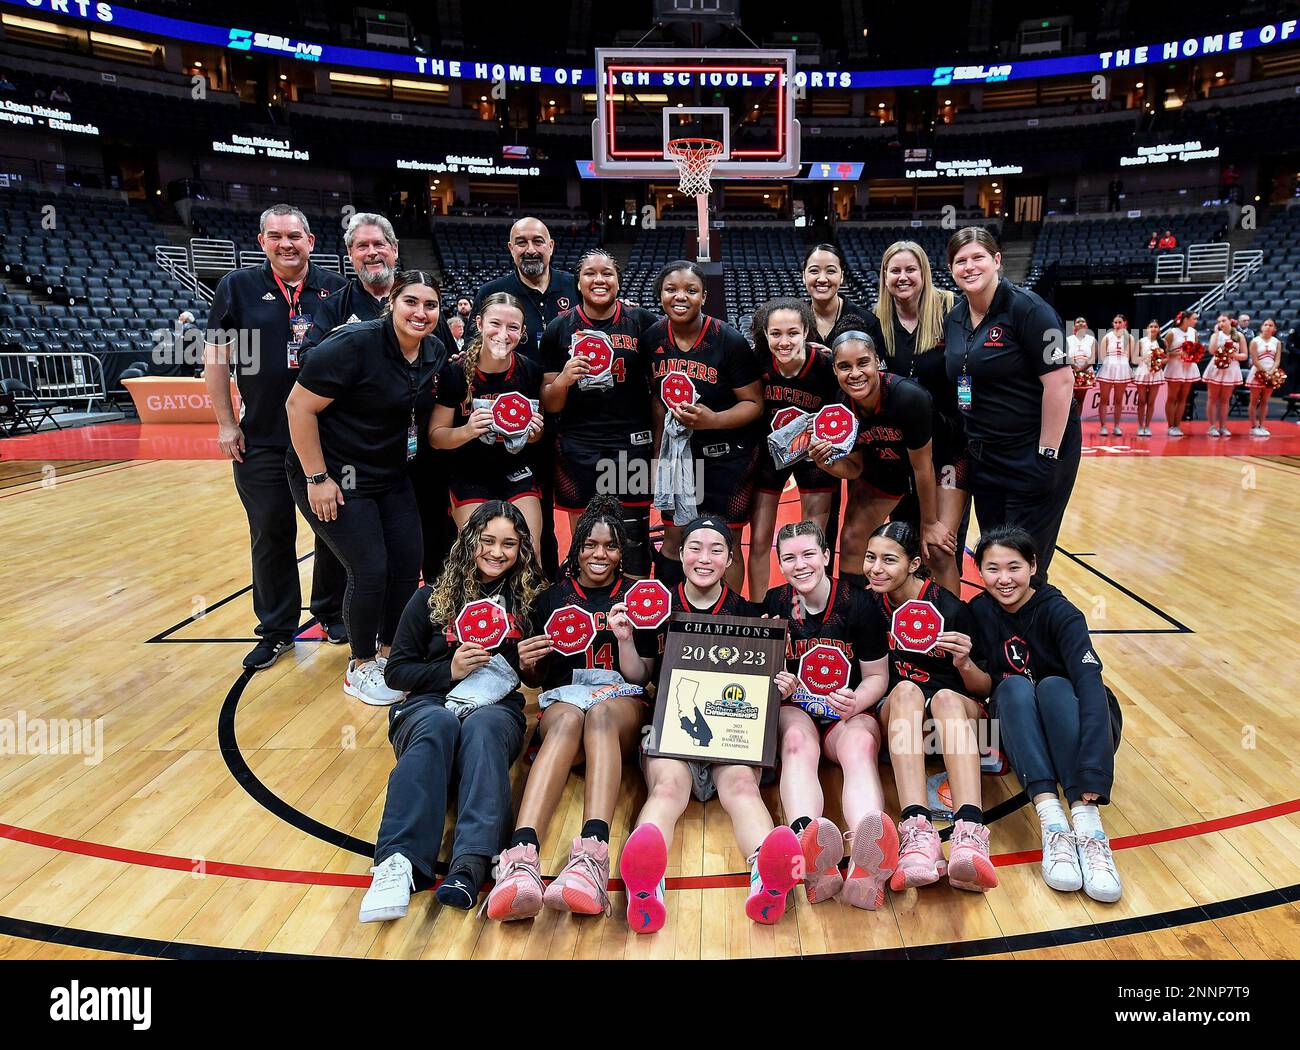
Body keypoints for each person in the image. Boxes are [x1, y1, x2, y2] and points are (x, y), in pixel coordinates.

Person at [358, 501, 545, 921]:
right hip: (429, 702)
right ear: (469, 541)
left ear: (522, 550)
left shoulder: (527, 601)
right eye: (489, 540)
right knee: (437, 724)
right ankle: (397, 862)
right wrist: (451, 669)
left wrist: (533, 666)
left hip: (495, 706)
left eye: (509, 544)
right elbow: (397, 673)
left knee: (482, 730)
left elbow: (531, 680)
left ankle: (471, 864)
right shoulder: (430, 596)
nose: (498, 552)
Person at [616, 515, 802, 933]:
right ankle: (646, 887)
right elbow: (637, 676)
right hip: (673, 730)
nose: (705, 557)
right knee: (668, 787)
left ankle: (766, 880)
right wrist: (627, 639)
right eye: (695, 548)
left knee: (741, 784)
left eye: (716, 549)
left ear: (730, 559)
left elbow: (765, 689)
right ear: (679, 554)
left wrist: (783, 684)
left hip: (732, 737)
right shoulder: (657, 606)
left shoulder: (752, 616)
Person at [285, 272, 446, 705]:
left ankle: (392, 653)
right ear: (392, 302)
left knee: (406, 564)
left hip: (389, 475)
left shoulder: (433, 351)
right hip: (334, 474)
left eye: (430, 305)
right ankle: (359, 665)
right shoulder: (353, 344)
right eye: (411, 301)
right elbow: (298, 406)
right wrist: (317, 478)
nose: (421, 312)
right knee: (370, 568)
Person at [485, 496, 650, 921]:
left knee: (597, 715)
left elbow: (638, 678)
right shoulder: (548, 599)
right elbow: (537, 681)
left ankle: (592, 857)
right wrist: (528, 663)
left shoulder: (639, 595)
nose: (600, 554)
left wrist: (626, 639)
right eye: (590, 545)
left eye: (610, 546)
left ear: (622, 551)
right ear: (576, 547)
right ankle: (521, 860)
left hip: (619, 701)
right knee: (565, 722)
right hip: (565, 700)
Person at [202, 204, 348, 670]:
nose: (286, 244)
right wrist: (226, 423)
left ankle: (331, 612)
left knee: (333, 532)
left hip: (326, 439)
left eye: (295, 236)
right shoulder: (237, 287)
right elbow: (217, 359)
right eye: (276, 236)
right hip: (262, 437)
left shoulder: (336, 289)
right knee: (270, 533)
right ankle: (277, 629)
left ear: (310, 241)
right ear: (261, 241)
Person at [305, 212, 457, 593]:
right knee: (349, 539)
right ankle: (334, 613)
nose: (372, 253)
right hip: (356, 450)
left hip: (417, 446)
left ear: (394, 250)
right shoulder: (336, 307)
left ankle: (432, 604)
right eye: (362, 246)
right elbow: (309, 366)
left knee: (426, 528)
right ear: (350, 255)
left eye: (379, 245)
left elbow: (449, 366)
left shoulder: (424, 303)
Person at [968, 525, 1123, 902]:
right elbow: (985, 688)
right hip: (1024, 729)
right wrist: (962, 662)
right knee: (1013, 687)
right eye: (992, 568)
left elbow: (1090, 689)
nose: (1003, 579)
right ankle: (1053, 822)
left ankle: (1089, 830)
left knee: (1054, 685)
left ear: (1033, 565)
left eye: (1014, 567)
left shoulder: (1061, 613)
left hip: (1076, 717)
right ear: (980, 570)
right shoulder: (978, 612)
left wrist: (1094, 771)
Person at [764, 521, 898, 910]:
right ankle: (809, 846)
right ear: (781, 564)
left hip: (847, 712)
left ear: (826, 556)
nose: (800, 564)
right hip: (800, 708)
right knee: (794, 743)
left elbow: (877, 676)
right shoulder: (775, 603)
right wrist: (779, 682)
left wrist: (856, 700)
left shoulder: (858, 604)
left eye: (809, 554)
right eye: (789, 557)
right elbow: (762, 672)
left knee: (858, 746)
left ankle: (864, 856)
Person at [864, 522, 996, 893]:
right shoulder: (868, 605)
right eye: (871, 557)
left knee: (942, 697)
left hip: (955, 723)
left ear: (914, 563)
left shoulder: (950, 608)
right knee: (906, 690)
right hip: (903, 725)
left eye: (889, 560)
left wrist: (965, 663)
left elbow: (985, 688)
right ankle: (917, 831)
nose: (876, 568)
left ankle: (970, 831)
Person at [943, 227, 1079, 585]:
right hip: (986, 453)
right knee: (993, 556)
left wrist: (1046, 454)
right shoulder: (955, 317)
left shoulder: (1031, 310)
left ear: (997, 261)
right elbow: (964, 377)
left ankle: (1036, 638)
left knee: (1022, 563)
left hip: (1033, 451)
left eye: (978, 258)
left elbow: (1061, 382)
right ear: (950, 268)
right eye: (960, 261)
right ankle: (1001, 640)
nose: (969, 267)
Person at [810, 329, 958, 594]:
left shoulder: (908, 397)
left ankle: (951, 627)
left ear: (877, 361)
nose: (855, 373)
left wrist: (929, 523)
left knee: (936, 549)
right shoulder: (842, 406)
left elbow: (922, 467)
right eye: (845, 366)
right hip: (889, 467)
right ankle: (854, 615)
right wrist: (826, 464)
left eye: (863, 363)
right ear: (834, 370)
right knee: (853, 538)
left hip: (941, 464)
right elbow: (856, 468)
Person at [647, 261, 764, 592]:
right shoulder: (653, 338)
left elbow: (754, 404)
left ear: (704, 296)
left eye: (691, 290)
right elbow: (656, 399)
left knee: (724, 543)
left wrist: (713, 420)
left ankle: (725, 621)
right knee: (673, 538)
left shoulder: (728, 340)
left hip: (728, 458)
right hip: (679, 457)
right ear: (660, 295)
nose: (680, 297)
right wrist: (658, 453)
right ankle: (671, 623)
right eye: (671, 290)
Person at [541, 249, 658, 577]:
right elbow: (550, 403)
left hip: (631, 443)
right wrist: (564, 379)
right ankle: (589, 612)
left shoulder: (642, 322)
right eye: (590, 273)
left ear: (619, 281)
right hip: (579, 445)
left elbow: (658, 389)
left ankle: (636, 618)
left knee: (633, 540)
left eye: (607, 273)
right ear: (578, 282)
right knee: (587, 539)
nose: (599, 279)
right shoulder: (559, 328)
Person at [474, 217, 578, 576]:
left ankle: (545, 588)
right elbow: (477, 352)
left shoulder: (574, 285)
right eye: (521, 242)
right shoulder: (493, 292)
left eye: (537, 241)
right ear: (510, 249)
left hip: (569, 418)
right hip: (507, 425)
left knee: (546, 517)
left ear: (551, 246)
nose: (530, 249)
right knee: (508, 517)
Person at [873, 240, 967, 594]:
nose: (903, 277)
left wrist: (968, 409)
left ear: (924, 273)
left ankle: (950, 641)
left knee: (940, 549)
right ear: (884, 277)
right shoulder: (876, 321)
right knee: (907, 548)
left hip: (948, 449)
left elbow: (968, 370)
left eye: (910, 269)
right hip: (901, 455)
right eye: (894, 270)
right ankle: (912, 638)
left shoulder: (951, 312)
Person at [431, 292, 546, 549]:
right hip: (469, 473)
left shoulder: (529, 371)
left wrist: (535, 432)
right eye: (495, 324)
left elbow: (536, 436)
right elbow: (435, 436)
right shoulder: (455, 373)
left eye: (512, 327)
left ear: (523, 331)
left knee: (529, 548)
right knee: (480, 550)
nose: (503, 334)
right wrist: (468, 430)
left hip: (515, 471)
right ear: (480, 323)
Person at [747, 298, 839, 602]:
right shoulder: (756, 361)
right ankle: (760, 609)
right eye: (776, 334)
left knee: (810, 542)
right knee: (759, 540)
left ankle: (808, 606)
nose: (784, 342)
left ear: (806, 331)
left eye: (792, 333)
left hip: (812, 453)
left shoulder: (825, 365)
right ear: (765, 333)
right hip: (770, 455)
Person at [801, 243, 882, 349]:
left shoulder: (868, 321)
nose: (822, 279)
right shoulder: (795, 322)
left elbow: (876, 363)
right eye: (814, 271)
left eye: (831, 271)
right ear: (803, 276)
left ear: (842, 276)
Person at [1203, 312, 1247, 437]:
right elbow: (1212, 350)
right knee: (1212, 398)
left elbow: (1245, 355)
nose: (1221, 323)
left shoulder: (1239, 336)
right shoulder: (1216, 335)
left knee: (1225, 400)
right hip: (1216, 366)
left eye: (1223, 320)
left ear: (1230, 321)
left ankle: (1223, 426)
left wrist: (1234, 355)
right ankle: (1212, 427)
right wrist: (1216, 334)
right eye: (1219, 321)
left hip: (1231, 367)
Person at [1162, 310, 1202, 437]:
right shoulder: (1172, 333)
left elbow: (1196, 348)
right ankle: (1170, 426)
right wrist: (1179, 353)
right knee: (1172, 397)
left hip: (1188, 366)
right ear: (1185, 319)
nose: (1196, 321)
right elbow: (1164, 352)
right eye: (1194, 319)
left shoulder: (1193, 333)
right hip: (1175, 366)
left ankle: (1177, 426)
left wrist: (1195, 354)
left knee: (1183, 398)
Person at [1096, 315, 1133, 437]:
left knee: (1118, 399)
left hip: (1122, 368)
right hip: (1108, 367)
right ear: (1113, 324)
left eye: (1119, 322)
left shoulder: (1130, 337)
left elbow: (1130, 356)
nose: (1117, 324)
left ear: (1124, 323)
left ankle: (1116, 426)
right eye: (1115, 322)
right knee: (1104, 399)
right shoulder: (1107, 336)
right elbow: (1101, 354)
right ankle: (1103, 426)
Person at [1246, 318, 1282, 437]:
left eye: (1270, 325)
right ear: (1261, 327)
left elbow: (1277, 360)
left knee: (1265, 401)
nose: (1267, 327)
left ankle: (1262, 425)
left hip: (1271, 374)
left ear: (1274, 329)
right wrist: (1264, 371)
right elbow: (1255, 360)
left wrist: (1271, 372)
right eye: (1265, 324)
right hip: (1258, 372)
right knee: (1254, 400)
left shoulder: (1277, 342)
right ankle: (1253, 426)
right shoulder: (1255, 341)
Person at [1132, 320, 1166, 437]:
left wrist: (1159, 362)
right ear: (1147, 329)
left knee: (1151, 402)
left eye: (1156, 326)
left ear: (1159, 329)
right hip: (1143, 371)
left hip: (1156, 373)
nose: (1153, 328)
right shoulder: (1141, 342)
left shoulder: (1162, 342)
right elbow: (1134, 359)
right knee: (1142, 401)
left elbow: (1167, 358)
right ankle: (1140, 426)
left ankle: (1147, 426)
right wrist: (1145, 358)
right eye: (1151, 326)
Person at [1066, 318, 1096, 420]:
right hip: (1071, 371)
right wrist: (1075, 368)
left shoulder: (1092, 339)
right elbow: (1066, 356)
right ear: (1074, 326)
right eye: (1078, 322)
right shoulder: (1068, 339)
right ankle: (1067, 422)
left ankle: (1076, 422)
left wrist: (1081, 369)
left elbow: (1093, 358)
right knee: (1068, 399)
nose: (1081, 323)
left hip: (1086, 372)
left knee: (1080, 399)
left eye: (1083, 321)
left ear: (1086, 325)